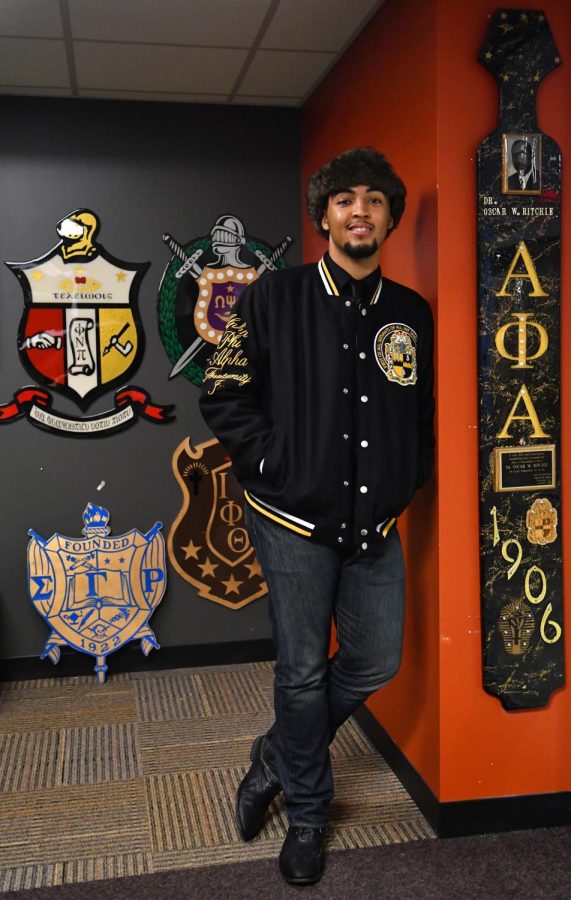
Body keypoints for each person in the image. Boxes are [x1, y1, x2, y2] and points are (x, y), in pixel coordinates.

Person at [199, 147, 435, 885]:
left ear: (389, 217)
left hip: (374, 527)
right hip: (291, 522)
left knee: (373, 661)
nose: (357, 210)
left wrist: (404, 478)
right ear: (323, 216)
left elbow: (418, 414)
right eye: (342, 199)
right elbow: (224, 394)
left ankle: (273, 755)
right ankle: (306, 815)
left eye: (372, 199)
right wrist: (274, 465)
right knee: (301, 675)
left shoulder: (409, 314)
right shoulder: (272, 298)